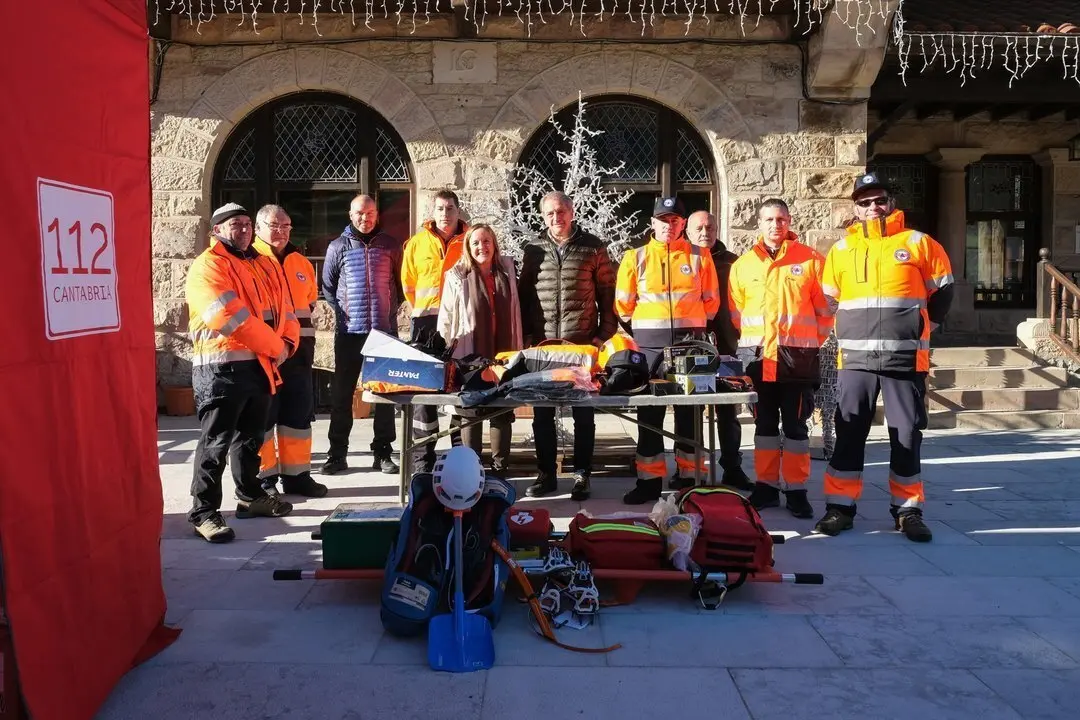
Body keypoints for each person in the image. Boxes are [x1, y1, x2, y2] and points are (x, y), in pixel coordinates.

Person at [815, 172, 954, 542]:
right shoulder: (841, 251)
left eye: (879, 200)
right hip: (856, 361)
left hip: (904, 360)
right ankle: (840, 508)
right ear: (856, 208)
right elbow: (831, 298)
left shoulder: (920, 243)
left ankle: (908, 510)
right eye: (864, 202)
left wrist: (926, 327)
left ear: (890, 202)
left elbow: (943, 290)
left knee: (906, 434)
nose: (873, 207)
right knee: (849, 432)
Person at [184, 203, 298, 543]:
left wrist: (288, 343)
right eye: (236, 224)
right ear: (217, 230)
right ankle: (203, 513)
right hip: (220, 369)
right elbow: (229, 317)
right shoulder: (208, 266)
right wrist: (276, 348)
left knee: (251, 438)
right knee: (215, 443)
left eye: (248, 224)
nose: (245, 230)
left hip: (258, 366)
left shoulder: (262, 264)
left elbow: (285, 309)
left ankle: (249, 496)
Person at [729, 199, 833, 519]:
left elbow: (825, 313)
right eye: (769, 219)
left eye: (781, 219)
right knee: (764, 426)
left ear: (789, 222)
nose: (775, 225)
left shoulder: (812, 260)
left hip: (796, 361)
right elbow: (737, 313)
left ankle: (797, 489)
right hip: (758, 359)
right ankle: (766, 486)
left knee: (796, 427)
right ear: (758, 224)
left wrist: (806, 345)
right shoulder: (743, 265)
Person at [615, 197, 720, 504]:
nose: (668, 226)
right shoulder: (635, 257)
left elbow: (712, 302)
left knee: (689, 413)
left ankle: (689, 478)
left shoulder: (701, 256)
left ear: (683, 224)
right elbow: (623, 305)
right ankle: (649, 481)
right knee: (650, 413)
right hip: (650, 347)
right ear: (653, 223)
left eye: (674, 220)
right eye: (663, 220)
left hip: (690, 345)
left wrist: (692, 328)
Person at [518, 191, 617, 500]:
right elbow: (524, 296)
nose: (556, 218)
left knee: (583, 412)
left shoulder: (593, 247)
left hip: (581, 343)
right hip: (544, 345)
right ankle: (546, 473)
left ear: (572, 212)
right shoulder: (534, 249)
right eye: (549, 213)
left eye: (561, 211)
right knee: (542, 413)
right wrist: (525, 337)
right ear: (542, 216)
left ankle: (582, 474)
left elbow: (607, 295)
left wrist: (603, 335)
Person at [320, 194, 403, 476]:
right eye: (358, 213)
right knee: (343, 396)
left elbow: (400, 286)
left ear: (376, 214)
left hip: (383, 332)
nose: (363, 218)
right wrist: (344, 313)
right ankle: (337, 454)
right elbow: (328, 288)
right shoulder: (338, 247)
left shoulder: (391, 246)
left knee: (384, 396)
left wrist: (388, 312)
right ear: (350, 214)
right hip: (349, 333)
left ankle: (383, 453)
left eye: (369, 213)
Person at [252, 204, 328, 499]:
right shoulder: (251, 261)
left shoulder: (301, 262)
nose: (281, 232)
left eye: (286, 226)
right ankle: (263, 479)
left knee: (297, 416)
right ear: (258, 228)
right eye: (274, 225)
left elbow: (308, 303)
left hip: (300, 352)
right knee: (264, 417)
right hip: (265, 351)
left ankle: (297, 477)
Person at [437, 224, 523, 477]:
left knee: (501, 409)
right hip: (469, 353)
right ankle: (471, 471)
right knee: (470, 410)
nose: (481, 247)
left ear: (494, 244)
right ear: (468, 246)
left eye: (486, 241)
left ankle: (499, 470)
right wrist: (448, 351)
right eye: (475, 242)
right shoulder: (457, 275)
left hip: (503, 351)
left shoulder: (507, 271)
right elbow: (446, 317)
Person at [402, 190, 469, 473]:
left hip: (460, 325)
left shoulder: (469, 241)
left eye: (450, 208)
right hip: (425, 325)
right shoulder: (416, 243)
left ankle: (460, 457)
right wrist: (422, 309)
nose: (445, 213)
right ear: (433, 210)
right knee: (424, 391)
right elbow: (408, 283)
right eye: (440, 208)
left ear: (458, 210)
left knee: (460, 388)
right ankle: (422, 462)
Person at [685, 210, 752, 492]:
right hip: (689, 346)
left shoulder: (732, 263)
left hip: (726, 346)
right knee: (688, 410)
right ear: (687, 232)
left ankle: (732, 468)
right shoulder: (681, 260)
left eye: (710, 227)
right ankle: (689, 471)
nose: (705, 232)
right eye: (699, 228)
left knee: (727, 411)